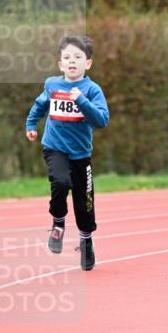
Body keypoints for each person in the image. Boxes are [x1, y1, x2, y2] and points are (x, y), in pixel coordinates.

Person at [25, 34, 109, 270]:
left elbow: (101, 120)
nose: (72, 61)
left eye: (78, 57)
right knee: (60, 182)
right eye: (67, 57)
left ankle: (86, 242)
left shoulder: (92, 90)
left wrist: (81, 100)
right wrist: (31, 124)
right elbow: (40, 104)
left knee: (85, 203)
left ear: (88, 63)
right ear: (61, 64)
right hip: (55, 147)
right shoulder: (52, 85)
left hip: (81, 154)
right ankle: (58, 223)